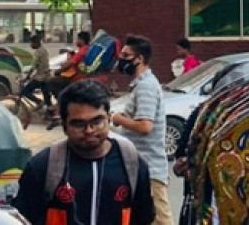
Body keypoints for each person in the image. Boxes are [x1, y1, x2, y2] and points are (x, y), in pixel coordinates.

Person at [12, 79, 155, 225]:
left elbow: (143, 218)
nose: (89, 130)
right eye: (79, 123)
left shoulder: (132, 163)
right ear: (64, 126)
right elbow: (23, 220)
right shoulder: (42, 166)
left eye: (97, 121)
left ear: (108, 118)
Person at [112, 35, 172, 225]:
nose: (121, 59)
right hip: (140, 167)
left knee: (161, 220)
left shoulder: (145, 86)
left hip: (150, 169)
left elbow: (146, 126)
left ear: (138, 59)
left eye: (125, 55)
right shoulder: (140, 85)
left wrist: (117, 118)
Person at [49, 31, 91, 102]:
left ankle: (63, 102)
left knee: (50, 82)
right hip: (79, 75)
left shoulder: (83, 50)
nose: (76, 41)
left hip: (77, 77)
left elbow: (70, 63)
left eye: (77, 39)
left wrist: (58, 71)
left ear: (82, 40)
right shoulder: (87, 49)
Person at [20, 34, 53, 111]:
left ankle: (39, 102)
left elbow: (34, 66)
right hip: (46, 76)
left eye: (32, 43)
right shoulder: (44, 50)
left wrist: (27, 77)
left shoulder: (38, 52)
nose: (31, 45)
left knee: (25, 91)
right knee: (47, 97)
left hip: (40, 77)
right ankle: (50, 113)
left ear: (36, 42)